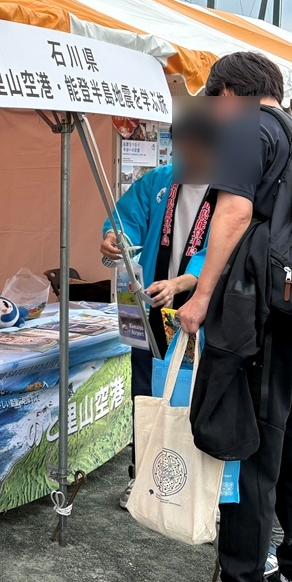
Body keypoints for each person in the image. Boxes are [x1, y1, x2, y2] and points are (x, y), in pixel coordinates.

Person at [165, 52, 292, 582]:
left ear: (231, 92)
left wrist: (201, 296)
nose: (215, 112)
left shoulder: (245, 130)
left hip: (263, 318)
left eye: (215, 100)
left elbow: (232, 215)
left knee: (251, 450)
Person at [101, 118, 215, 509]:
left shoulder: (229, 192)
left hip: (194, 315)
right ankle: (142, 475)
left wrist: (183, 283)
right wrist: (117, 238)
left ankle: (193, 486)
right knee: (143, 393)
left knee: (192, 396)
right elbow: (127, 219)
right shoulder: (160, 181)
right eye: (177, 148)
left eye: (191, 150)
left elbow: (218, 252)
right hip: (148, 305)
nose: (182, 157)